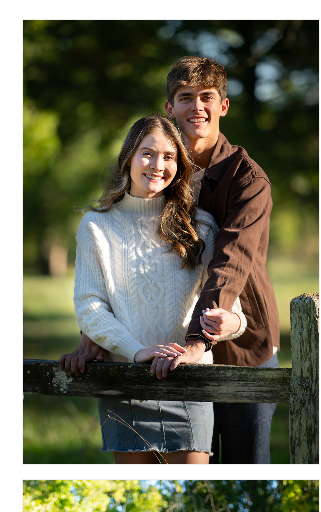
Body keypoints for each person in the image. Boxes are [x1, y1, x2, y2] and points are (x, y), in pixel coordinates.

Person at [62, 56, 282, 465]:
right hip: (173, 352)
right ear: (170, 107)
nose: (196, 107)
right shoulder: (163, 172)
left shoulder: (249, 180)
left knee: (243, 465)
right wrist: (95, 336)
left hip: (240, 340)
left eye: (207, 97)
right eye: (185, 98)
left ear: (223, 106)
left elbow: (228, 265)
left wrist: (201, 340)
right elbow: (123, 266)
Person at [72, 114, 244, 463]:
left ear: (179, 166)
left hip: (189, 382)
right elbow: (90, 305)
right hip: (126, 382)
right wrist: (138, 351)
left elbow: (234, 311)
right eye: (147, 153)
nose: (157, 164)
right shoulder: (96, 225)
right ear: (129, 159)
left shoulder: (200, 227)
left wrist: (230, 325)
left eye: (169, 157)